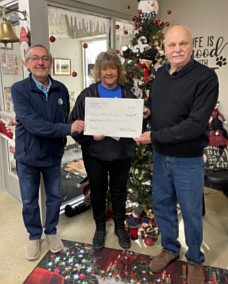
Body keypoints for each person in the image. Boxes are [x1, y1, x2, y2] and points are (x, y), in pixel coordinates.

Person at [135, 25, 219, 284]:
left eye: (182, 43)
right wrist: (148, 111)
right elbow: (156, 104)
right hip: (161, 156)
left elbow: (195, 125)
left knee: (192, 211)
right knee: (162, 206)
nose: (177, 49)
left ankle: (195, 259)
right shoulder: (160, 75)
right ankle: (170, 249)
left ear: (191, 46)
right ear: (165, 48)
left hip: (187, 159)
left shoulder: (205, 77)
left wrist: (154, 137)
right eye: (172, 45)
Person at [11, 44, 84, 261]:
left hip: (53, 155)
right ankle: (35, 236)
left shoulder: (60, 89)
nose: (40, 62)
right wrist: (67, 129)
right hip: (28, 156)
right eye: (35, 58)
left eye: (44, 58)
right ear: (27, 62)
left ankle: (51, 232)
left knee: (53, 197)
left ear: (50, 62)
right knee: (30, 200)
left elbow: (64, 118)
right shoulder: (19, 89)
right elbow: (35, 125)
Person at [70, 49, 136, 251]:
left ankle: (119, 226)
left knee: (119, 192)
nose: (109, 72)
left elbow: (135, 121)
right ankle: (99, 228)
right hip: (95, 155)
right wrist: (91, 134)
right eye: (105, 68)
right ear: (98, 71)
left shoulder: (126, 94)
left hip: (121, 154)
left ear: (118, 71)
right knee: (97, 192)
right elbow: (74, 125)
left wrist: (141, 117)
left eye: (113, 68)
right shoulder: (87, 95)